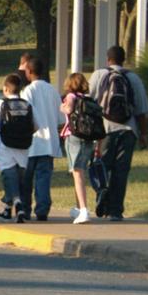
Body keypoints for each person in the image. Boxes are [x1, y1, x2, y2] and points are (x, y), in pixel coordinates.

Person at [88, 45, 148, 222]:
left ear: (108, 59)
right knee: (121, 171)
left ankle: (102, 193)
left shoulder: (99, 75)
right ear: (124, 59)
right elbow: (141, 110)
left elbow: (88, 101)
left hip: (105, 131)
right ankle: (115, 211)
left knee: (100, 167)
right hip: (128, 130)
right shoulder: (133, 78)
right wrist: (144, 134)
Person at [20, 55, 63, 221]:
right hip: (49, 144)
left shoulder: (28, 91)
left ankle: (25, 208)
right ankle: (42, 209)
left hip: (32, 144)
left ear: (29, 72)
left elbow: (25, 115)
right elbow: (60, 119)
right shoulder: (52, 90)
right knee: (43, 178)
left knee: (26, 179)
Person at [0, 73, 32, 222]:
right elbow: (35, 125)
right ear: (20, 89)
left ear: (5, 89)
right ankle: (7, 209)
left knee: (8, 175)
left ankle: (18, 204)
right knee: (19, 177)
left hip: (4, 143)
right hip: (23, 145)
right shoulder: (27, 104)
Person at [59, 72, 95, 224]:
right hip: (87, 138)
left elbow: (67, 110)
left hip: (74, 137)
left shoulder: (71, 97)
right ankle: (79, 207)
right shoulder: (87, 98)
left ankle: (84, 210)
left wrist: (62, 106)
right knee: (81, 172)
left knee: (77, 173)